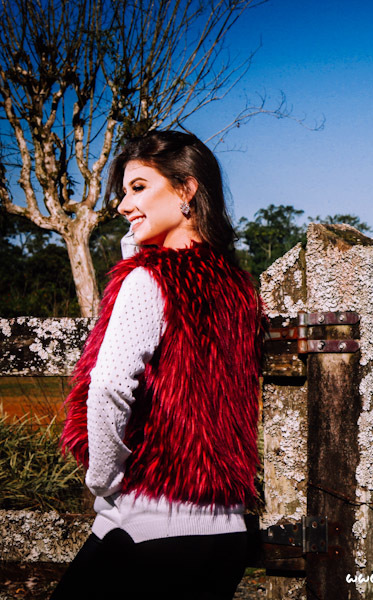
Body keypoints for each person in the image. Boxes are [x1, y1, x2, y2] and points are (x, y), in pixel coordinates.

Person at [52, 130, 264, 600]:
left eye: (138, 187)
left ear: (186, 189)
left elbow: (109, 385)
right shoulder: (237, 291)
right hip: (224, 536)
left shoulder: (148, 280)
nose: (123, 205)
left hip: (146, 529)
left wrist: (103, 479)